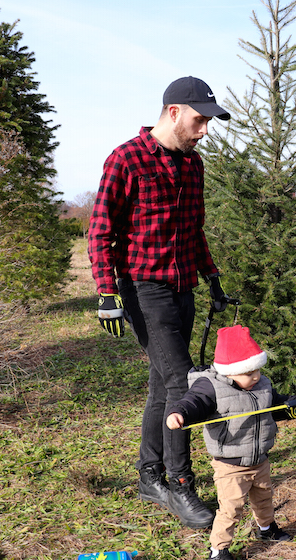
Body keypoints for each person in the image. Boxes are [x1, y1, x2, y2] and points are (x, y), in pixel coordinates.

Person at [88, 76, 232, 529]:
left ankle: (149, 476)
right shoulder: (125, 159)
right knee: (182, 383)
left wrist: (211, 275)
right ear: (173, 113)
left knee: (161, 385)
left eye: (208, 121)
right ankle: (180, 484)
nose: (204, 129)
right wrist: (107, 291)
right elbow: (100, 231)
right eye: (199, 120)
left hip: (182, 285)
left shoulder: (194, 165)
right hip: (142, 288)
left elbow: (195, 229)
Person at [165, 325, 296, 560]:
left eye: (257, 370)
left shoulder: (261, 384)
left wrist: (292, 406)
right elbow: (192, 403)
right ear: (231, 372)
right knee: (231, 508)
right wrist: (177, 414)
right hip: (230, 464)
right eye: (248, 372)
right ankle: (218, 552)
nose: (255, 376)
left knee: (264, 497)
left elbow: (274, 406)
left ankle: (266, 529)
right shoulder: (210, 387)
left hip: (259, 459)